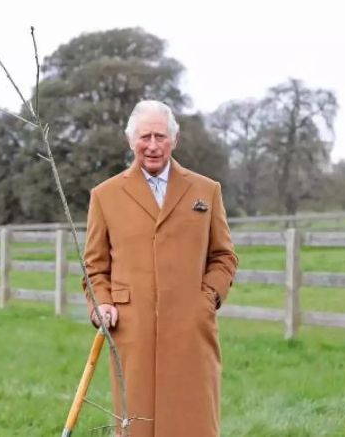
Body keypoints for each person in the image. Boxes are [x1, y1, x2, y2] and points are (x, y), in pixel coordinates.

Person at [82, 100, 238, 437]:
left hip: (190, 331)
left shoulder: (206, 191)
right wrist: (103, 303)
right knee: (136, 425)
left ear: (175, 140)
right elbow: (94, 267)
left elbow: (224, 257)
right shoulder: (105, 195)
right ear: (130, 140)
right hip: (131, 331)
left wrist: (206, 299)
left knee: (192, 423)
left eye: (161, 137)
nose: (153, 146)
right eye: (145, 137)